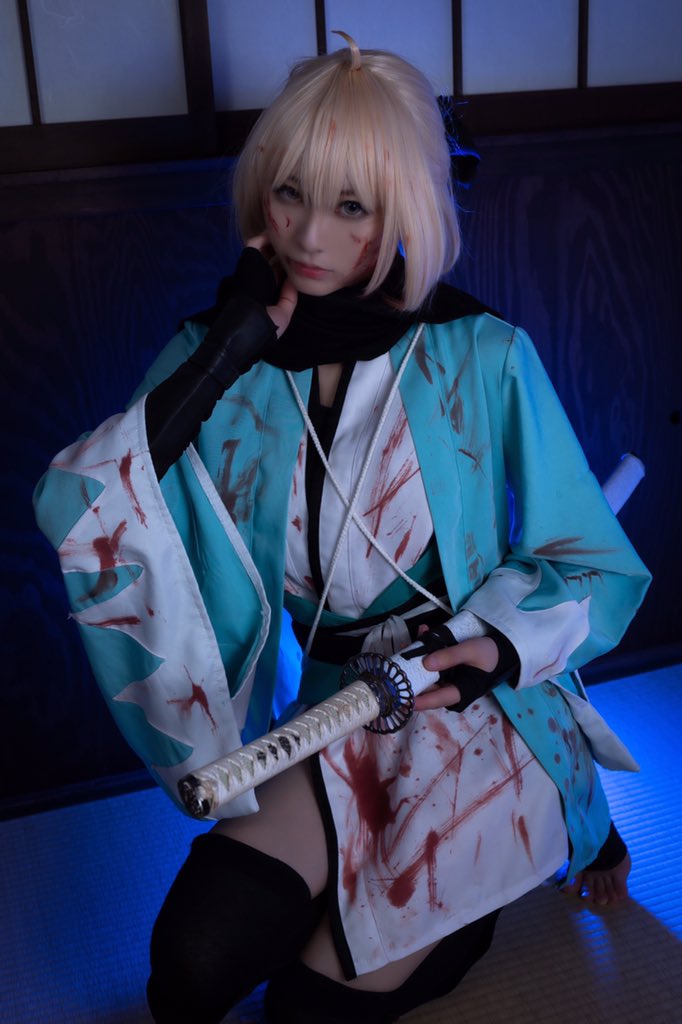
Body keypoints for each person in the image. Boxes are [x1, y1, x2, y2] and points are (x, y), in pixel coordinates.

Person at [34, 35, 650, 1024]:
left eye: (352, 206)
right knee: (190, 967)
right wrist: (224, 356)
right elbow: (87, 506)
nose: (309, 236)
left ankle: (508, 866)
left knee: (307, 1011)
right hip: (337, 709)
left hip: (473, 707)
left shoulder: (482, 353)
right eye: (290, 194)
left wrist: (497, 644)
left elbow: (589, 559)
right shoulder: (215, 351)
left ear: (402, 210)